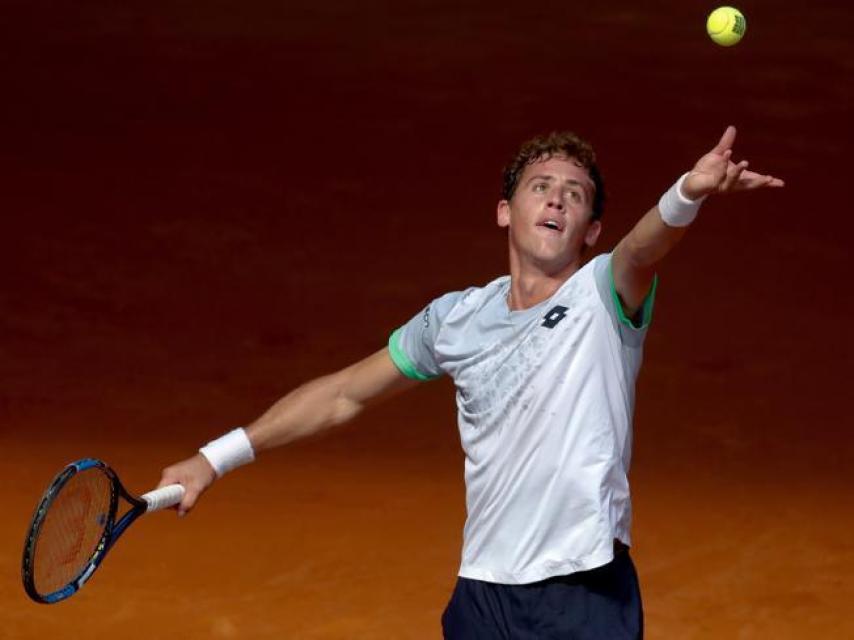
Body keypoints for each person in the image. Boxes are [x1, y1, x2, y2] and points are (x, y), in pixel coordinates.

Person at [158, 126, 783, 638]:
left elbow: (644, 247)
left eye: (575, 193)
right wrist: (216, 458)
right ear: (506, 211)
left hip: (584, 588)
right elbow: (345, 393)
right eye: (542, 188)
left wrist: (686, 194)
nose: (558, 200)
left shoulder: (603, 293)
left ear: (592, 230)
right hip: (482, 594)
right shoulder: (454, 319)